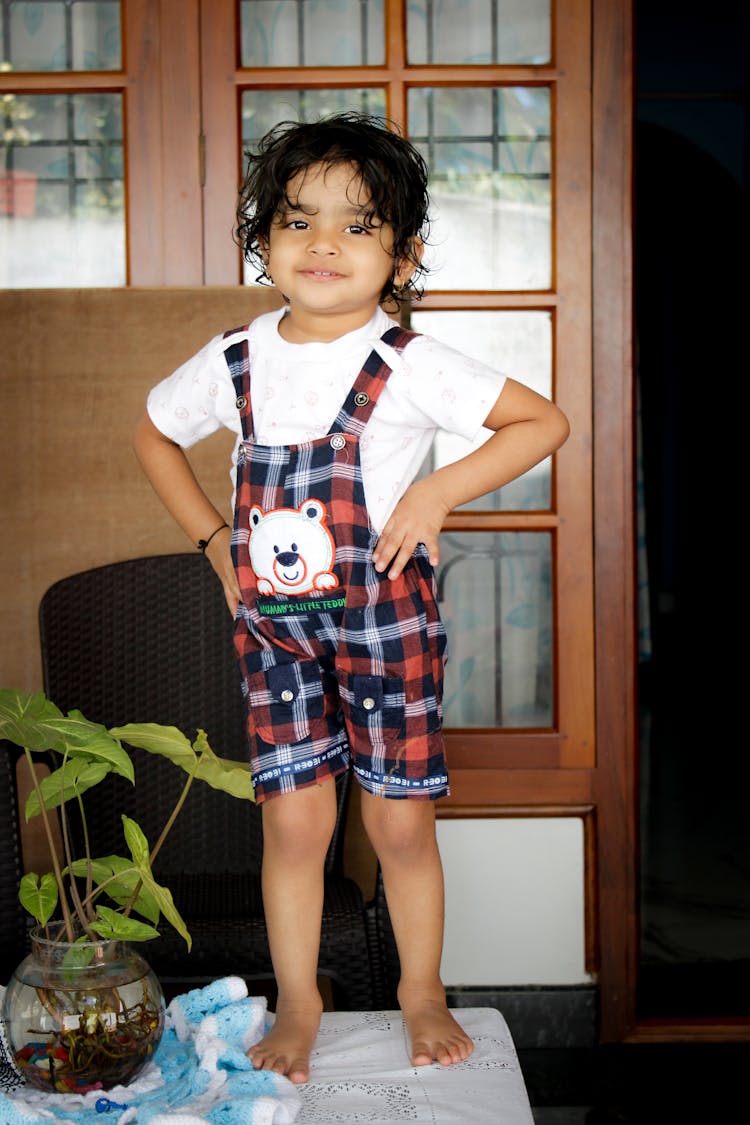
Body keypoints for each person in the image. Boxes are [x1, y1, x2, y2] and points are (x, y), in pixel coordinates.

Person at [133, 111, 570, 1085]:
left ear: (402, 253)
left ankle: (420, 989)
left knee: (399, 822)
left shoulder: (410, 362)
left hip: (386, 620)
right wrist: (213, 540)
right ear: (263, 244)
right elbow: (154, 434)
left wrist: (434, 489)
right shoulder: (236, 358)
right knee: (294, 824)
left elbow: (542, 422)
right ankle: (299, 997)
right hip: (275, 628)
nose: (324, 244)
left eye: (358, 225)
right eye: (297, 220)